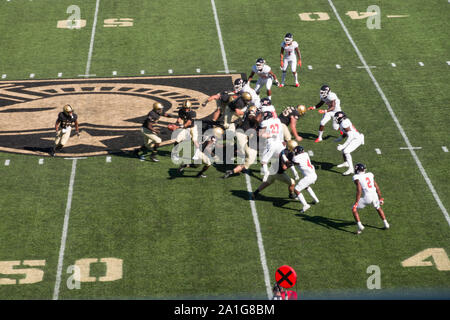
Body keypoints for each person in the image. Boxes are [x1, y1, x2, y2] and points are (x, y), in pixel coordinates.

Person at [223, 105, 261, 178]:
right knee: (243, 152)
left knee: (245, 152)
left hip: (244, 134)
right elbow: (254, 119)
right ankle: (236, 164)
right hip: (242, 134)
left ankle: (238, 165)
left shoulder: (249, 113)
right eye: (257, 111)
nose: (258, 112)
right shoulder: (251, 114)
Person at [352, 163, 390, 234]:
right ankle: (386, 224)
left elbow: (359, 190)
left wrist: (356, 203)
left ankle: (360, 226)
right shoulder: (370, 174)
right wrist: (380, 198)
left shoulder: (356, 177)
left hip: (367, 197)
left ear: (357, 170)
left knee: (354, 209)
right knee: (378, 208)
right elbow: (377, 187)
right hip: (374, 195)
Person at [334, 111, 365, 176]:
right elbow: (346, 133)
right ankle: (346, 163)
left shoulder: (344, 123)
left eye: (336, 117)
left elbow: (350, 136)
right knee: (344, 150)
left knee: (346, 151)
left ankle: (351, 169)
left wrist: (343, 145)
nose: (335, 119)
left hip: (356, 139)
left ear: (341, 118)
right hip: (354, 137)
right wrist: (340, 139)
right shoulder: (343, 122)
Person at [291, 145, 319, 213]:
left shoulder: (296, 158)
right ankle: (315, 199)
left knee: (296, 190)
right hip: (314, 174)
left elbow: (293, 162)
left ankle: (305, 205)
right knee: (306, 186)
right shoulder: (306, 154)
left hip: (309, 177)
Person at [259, 111, 284, 182]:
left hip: (271, 143)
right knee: (284, 157)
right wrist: (282, 140)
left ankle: (266, 174)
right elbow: (281, 131)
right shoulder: (278, 120)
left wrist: (270, 135)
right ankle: (295, 172)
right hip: (279, 142)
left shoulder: (264, 122)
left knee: (263, 161)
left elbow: (262, 135)